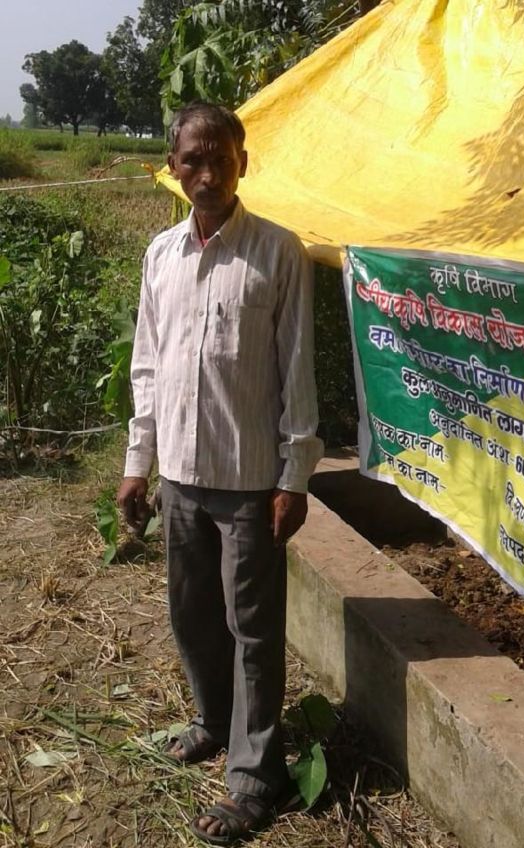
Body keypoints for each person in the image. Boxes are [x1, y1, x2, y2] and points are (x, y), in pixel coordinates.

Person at [117, 101, 323, 845]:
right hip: (179, 474)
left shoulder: (278, 252)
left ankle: (256, 777)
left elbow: (295, 368)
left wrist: (294, 476)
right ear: (172, 167)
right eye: (191, 161)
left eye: (220, 159)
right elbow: (149, 365)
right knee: (191, 612)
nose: (206, 174)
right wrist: (137, 465)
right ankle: (213, 718)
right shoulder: (161, 255)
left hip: (249, 480)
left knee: (254, 630)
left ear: (243, 162)